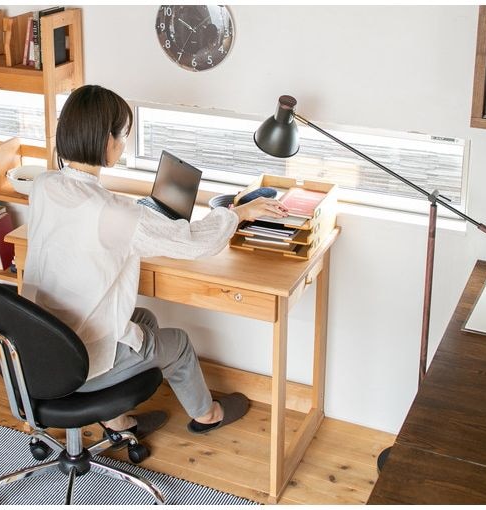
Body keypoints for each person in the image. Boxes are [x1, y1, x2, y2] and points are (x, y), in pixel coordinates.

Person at [21, 84, 289, 442]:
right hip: (79, 363)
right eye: (123, 135)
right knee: (178, 343)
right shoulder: (114, 213)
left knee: (144, 318)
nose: (124, 143)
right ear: (107, 141)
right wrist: (237, 213)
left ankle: (116, 422)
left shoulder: (43, 185)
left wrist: (142, 219)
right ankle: (208, 415)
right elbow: (197, 243)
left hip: (40, 344)